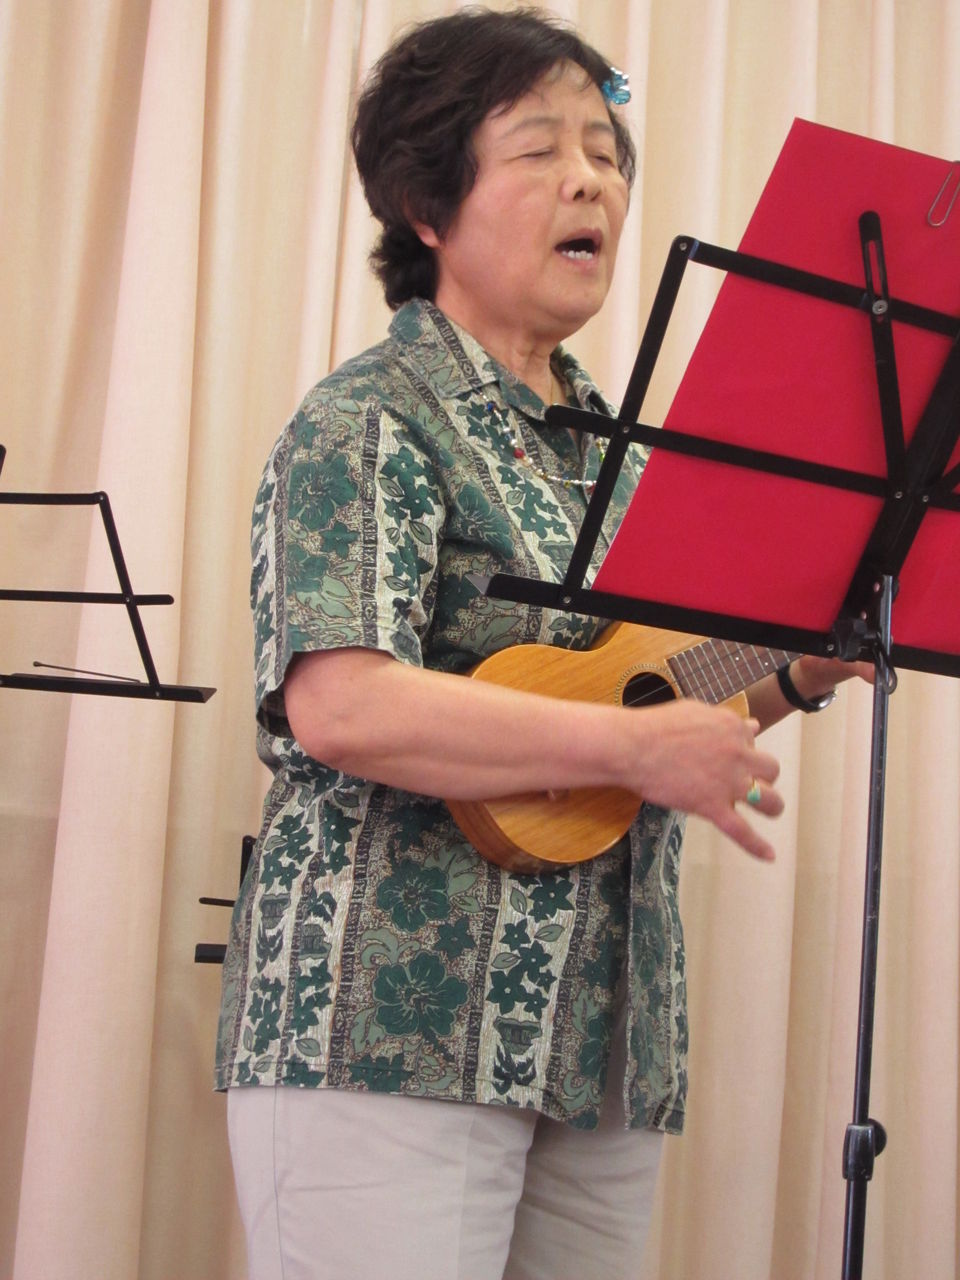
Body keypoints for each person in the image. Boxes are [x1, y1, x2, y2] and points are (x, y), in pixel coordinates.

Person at [216, 9, 867, 1279]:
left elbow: (649, 699)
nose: (591, 181)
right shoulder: (367, 418)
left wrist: (793, 670)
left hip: (601, 1038)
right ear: (426, 204)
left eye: (607, 155)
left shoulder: (623, 456)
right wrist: (633, 744)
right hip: (388, 1023)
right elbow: (340, 704)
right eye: (540, 150)